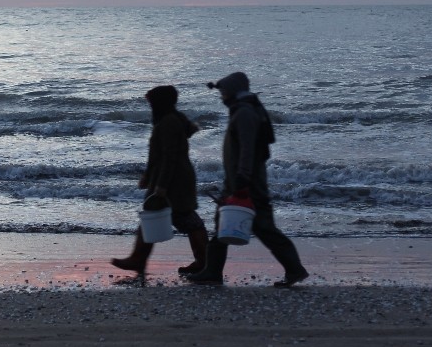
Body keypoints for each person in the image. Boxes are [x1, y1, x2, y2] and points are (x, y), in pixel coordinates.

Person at [186, 71, 309, 287]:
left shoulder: (244, 113)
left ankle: (295, 269)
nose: (221, 96)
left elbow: (247, 150)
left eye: (223, 92)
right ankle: (211, 271)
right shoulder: (247, 110)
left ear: (232, 92)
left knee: (265, 229)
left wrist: (242, 179)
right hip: (239, 182)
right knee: (223, 225)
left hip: (247, 184)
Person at [111, 85, 209, 276]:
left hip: (174, 180)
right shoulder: (170, 119)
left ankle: (203, 261)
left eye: (151, 102)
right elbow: (159, 155)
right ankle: (140, 259)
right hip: (174, 176)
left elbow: (169, 157)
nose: (150, 106)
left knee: (184, 217)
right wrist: (148, 176)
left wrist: (162, 186)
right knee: (164, 215)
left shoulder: (168, 123)